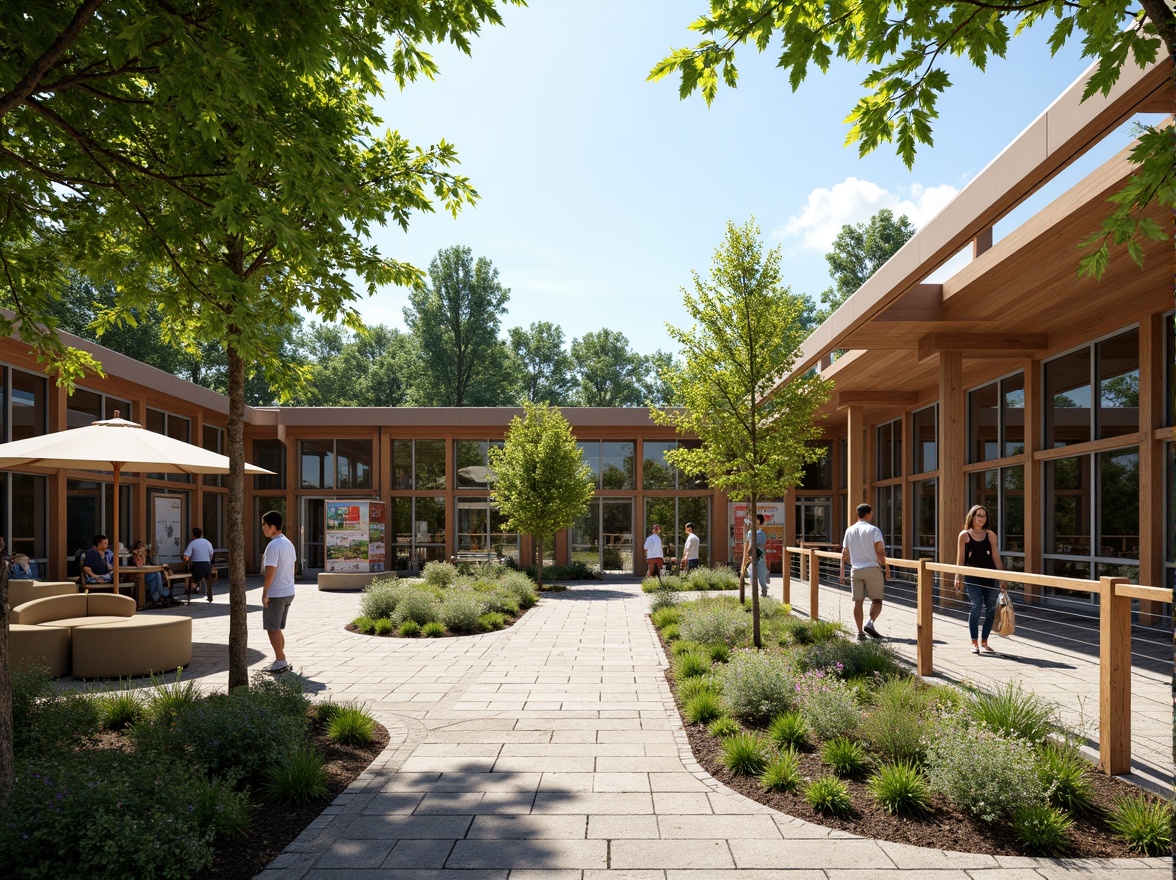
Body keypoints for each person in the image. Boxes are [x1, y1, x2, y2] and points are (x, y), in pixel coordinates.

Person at [954, 504, 1007, 655]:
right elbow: (961, 558)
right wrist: (958, 577)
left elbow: (996, 557)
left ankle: (985, 641)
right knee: (976, 605)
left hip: (989, 577)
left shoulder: (991, 535)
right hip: (972, 576)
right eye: (979, 515)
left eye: (984, 515)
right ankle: (974, 642)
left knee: (990, 607)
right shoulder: (964, 535)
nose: (982, 518)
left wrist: (1002, 577)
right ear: (972, 517)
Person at [839, 503, 891, 641]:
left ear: (858, 514)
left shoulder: (849, 531)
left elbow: (845, 552)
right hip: (872, 568)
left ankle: (860, 633)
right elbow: (880, 551)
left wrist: (842, 570)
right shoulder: (874, 530)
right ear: (869, 514)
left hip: (855, 569)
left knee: (858, 602)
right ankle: (870, 623)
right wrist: (886, 567)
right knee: (877, 600)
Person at [260, 510, 297, 673]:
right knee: (277, 627)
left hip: (276, 592)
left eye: (264, 525)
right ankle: (279, 658)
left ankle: (281, 660)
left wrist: (265, 592)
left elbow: (270, 570)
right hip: (288, 591)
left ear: (273, 526)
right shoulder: (288, 543)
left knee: (272, 628)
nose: (263, 528)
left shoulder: (273, 545)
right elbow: (294, 567)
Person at [131, 540, 175, 607]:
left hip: (147, 574)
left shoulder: (142, 555)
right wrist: (138, 555)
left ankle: (155, 598)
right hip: (140, 576)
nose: (142, 552)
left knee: (154, 578)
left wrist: (143, 556)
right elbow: (139, 565)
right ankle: (160, 593)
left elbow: (144, 563)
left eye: (143, 551)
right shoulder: (134, 556)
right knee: (157, 574)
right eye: (141, 550)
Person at [183, 527, 216, 603]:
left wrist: (187, 562)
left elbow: (186, 557)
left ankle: (189, 595)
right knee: (208, 580)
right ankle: (209, 595)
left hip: (197, 565)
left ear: (193, 534)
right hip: (207, 565)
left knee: (194, 580)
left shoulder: (192, 543)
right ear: (201, 534)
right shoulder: (207, 542)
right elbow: (211, 554)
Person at [744, 514, 769, 597]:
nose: (756, 521)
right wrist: (747, 554)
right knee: (752, 575)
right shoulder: (750, 532)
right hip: (752, 557)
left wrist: (755, 553)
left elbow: (762, 546)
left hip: (759, 557)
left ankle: (764, 590)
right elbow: (748, 543)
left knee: (761, 577)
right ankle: (754, 592)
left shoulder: (762, 533)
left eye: (757, 520)